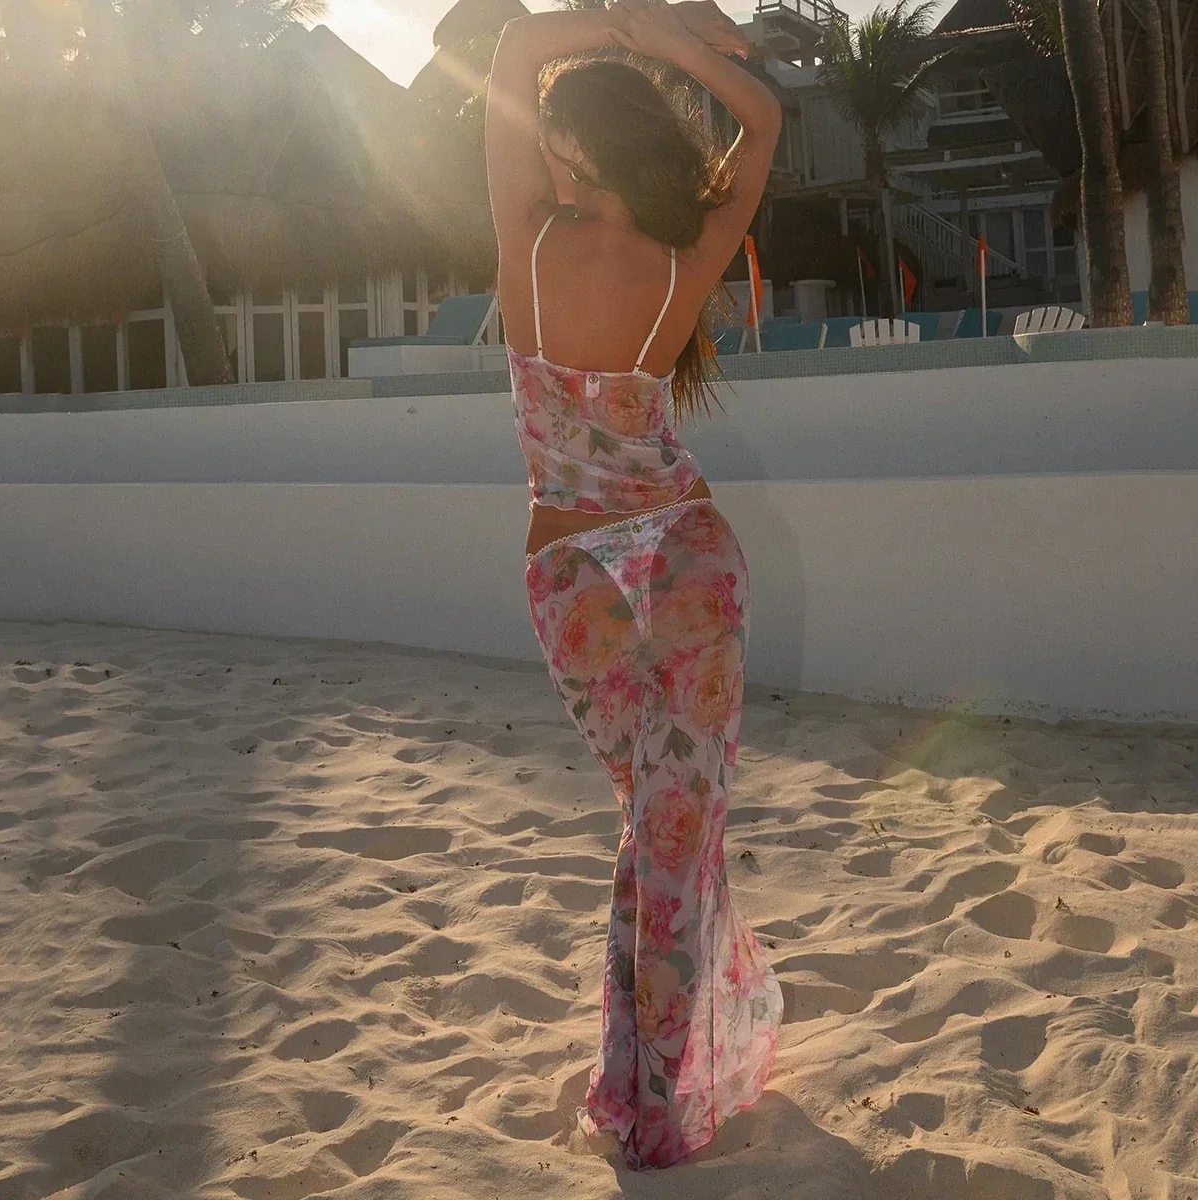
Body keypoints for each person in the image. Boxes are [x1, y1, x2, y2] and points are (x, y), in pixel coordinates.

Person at [485, 0, 784, 1170]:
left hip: (577, 570)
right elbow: (761, 120)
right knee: (675, 827)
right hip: (685, 552)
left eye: (556, 134)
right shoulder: (685, 250)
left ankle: (650, 1088)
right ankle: (658, 1083)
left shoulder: (528, 237)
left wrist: (627, 26)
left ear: (573, 144)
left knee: (655, 827)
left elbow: (514, 48)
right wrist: (671, 39)